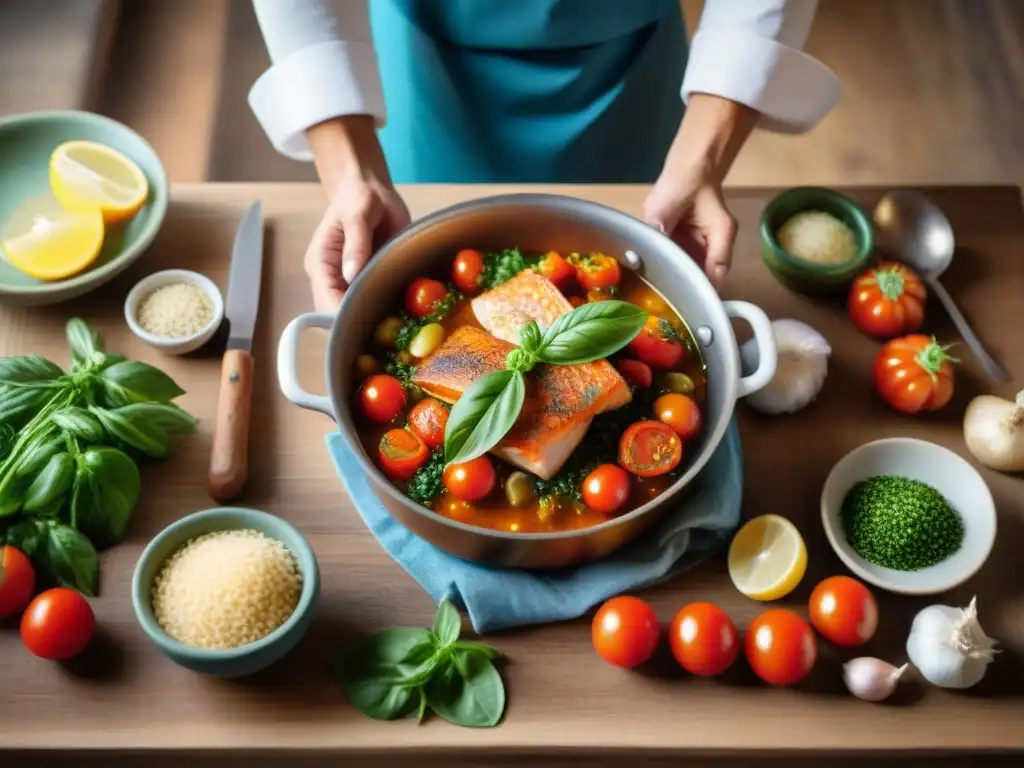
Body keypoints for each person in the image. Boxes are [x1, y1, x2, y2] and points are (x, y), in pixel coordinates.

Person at [250, 0, 840, 312]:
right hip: (424, 65)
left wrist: (703, 156)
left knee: (637, 269)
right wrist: (350, 167)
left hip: (631, 57)